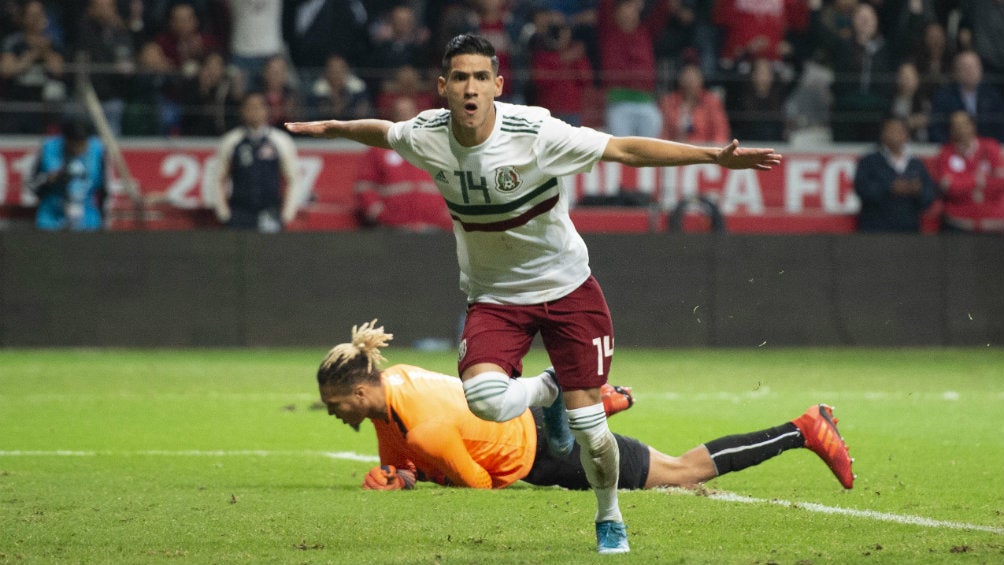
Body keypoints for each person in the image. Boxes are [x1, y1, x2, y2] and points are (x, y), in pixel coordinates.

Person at [285, 34, 781, 554]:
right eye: (459, 78)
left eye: (480, 77)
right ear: (443, 87)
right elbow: (384, 132)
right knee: (483, 399)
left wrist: (711, 158)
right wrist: (335, 127)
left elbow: (624, 148)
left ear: (498, 85)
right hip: (496, 297)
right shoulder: (427, 133)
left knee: (591, 432)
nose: (470, 88)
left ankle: (609, 516)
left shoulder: (535, 130)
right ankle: (550, 391)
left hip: (568, 289)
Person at [315, 320, 855, 496]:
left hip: (547, 457)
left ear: (360, 393)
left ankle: (803, 429)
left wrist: (422, 481)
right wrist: (404, 477)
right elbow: (403, 454)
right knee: (562, 418)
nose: (334, 413)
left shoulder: (425, 429)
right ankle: (582, 401)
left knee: (682, 471)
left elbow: (483, 488)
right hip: (516, 417)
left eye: (335, 404)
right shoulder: (397, 382)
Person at [354, 97, 454, 232]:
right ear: (392, 117)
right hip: (394, 230)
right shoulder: (378, 149)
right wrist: (379, 213)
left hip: (437, 229)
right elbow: (364, 186)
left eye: (408, 112)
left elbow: (458, 183)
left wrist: (448, 216)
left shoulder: (438, 146)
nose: (405, 117)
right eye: (400, 113)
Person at [214, 93, 303, 232]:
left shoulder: (280, 141)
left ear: (267, 111)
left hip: (270, 211)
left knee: (268, 252)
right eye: (250, 107)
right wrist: (223, 213)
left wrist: (286, 214)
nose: (254, 112)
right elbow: (218, 178)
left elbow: (294, 179)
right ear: (242, 111)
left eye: (258, 107)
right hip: (239, 212)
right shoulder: (231, 141)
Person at [853, 117, 937, 232]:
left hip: (909, 231)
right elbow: (862, 189)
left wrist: (918, 191)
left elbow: (928, 197)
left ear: (907, 136)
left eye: (899, 131)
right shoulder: (869, 161)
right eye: (890, 130)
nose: (894, 135)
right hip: (875, 231)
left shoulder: (916, 163)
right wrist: (890, 188)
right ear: (882, 134)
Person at [929, 110, 1004, 233]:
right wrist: (978, 180)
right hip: (959, 221)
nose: (959, 129)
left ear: (972, 126)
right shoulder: (945, 153)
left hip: (994, 221)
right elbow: (951, 189)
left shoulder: (990, 147)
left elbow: (1001, 183)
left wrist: (962, 180)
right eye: (955, 126)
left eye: (963, 124)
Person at [27, 118, 106, 231]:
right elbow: (33, 184)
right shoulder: (49, 148)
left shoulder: (97, 150)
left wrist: (102, 220)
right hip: (51, 219)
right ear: (65, 140)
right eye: (75, 144)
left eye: (82, 144)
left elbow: (103, 188)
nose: (79, 149)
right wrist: (49, 180)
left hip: (88, 220)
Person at [928, 51, 1004, 144]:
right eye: (965, 68)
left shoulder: (992, 95)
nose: (970, 71)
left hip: (988, 150)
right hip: (954, 149)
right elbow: (936, 129)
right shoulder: (944, 96)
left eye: (973, 67)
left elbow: (1000, 127)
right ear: (956, 72)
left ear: (981, 69)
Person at [658, 62, 730, 144]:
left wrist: (715, 151)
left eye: (693, 80)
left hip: (704, 149)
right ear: (680, 81)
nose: (690, 83)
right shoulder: (668, 102)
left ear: (700, 81)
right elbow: (663, 132)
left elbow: (721, 131)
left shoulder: (711, 102)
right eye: (687, 79)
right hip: (675, 149)